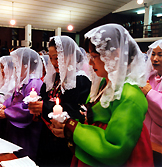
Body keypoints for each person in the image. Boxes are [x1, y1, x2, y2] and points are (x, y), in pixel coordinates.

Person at [50, 24, 154, 167]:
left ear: (115, 54)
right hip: (92, 150)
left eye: (94, 56)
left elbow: (114, 147)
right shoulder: (102, 85)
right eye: (89, 56)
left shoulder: (130, 95)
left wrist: (72, 129)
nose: (90, 63)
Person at [29, 36, 91, 167]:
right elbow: (45, 97)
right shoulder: (54, 78)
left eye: (57, 58)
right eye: (51, 58)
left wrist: (45, 106)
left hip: (65, 138)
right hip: (47, 134)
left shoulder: (80, 80)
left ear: (69, 56)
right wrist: (37, 105)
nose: (53, 62)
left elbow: (76, 111)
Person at [0, 48, 43, 161]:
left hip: (26, 129)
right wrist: (5, 105)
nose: (15, 69)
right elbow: (13, 96)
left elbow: (27, 107)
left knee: (23, 154)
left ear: (25, 65)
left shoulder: (35, 82)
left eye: (17, 66)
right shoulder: (23, 81)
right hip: (14, 123)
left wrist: (7, 113)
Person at [140, 39, 162, 167]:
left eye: (160, 55)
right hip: (146, 140)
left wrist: (149, 93)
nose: (155, 59)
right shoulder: (149, 77)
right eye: (153, 54)